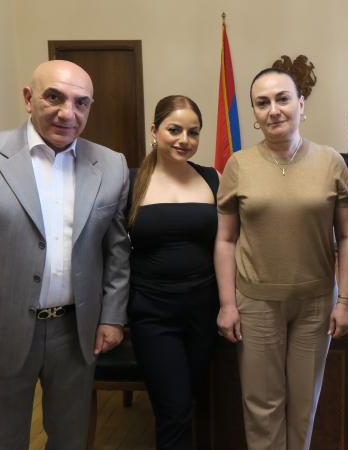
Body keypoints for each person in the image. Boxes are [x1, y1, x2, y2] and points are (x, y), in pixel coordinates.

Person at [0, 60, 130, 449]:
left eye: (81, 103)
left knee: (71, 440)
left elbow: (117, 250)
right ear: (28, 98)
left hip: (76, 333)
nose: (68, 113)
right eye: (54, 97)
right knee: (0, 439)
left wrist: (112, 315)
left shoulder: (111, 165)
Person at [215, 67, 348, 450]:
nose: (273, 110)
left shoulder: (331, 162)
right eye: (262, 103)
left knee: (303, 405)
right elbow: (226, 239)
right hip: (255, 303)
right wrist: (227, 304)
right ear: (254, 112)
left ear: (301, 104)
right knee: (262, 407)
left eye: (283, 99)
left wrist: (346, 301)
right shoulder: (238, 165)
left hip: (315, 304)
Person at [126, 95, 219, 449]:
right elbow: (112, 251)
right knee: (174, 410)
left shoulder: (211, 178)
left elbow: (228, 243)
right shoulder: (131, 182)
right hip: (153, 313)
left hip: (203, 311)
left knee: (192, 400)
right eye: (174, 130)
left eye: (193, 132)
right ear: (154, 131)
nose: (184, 140)